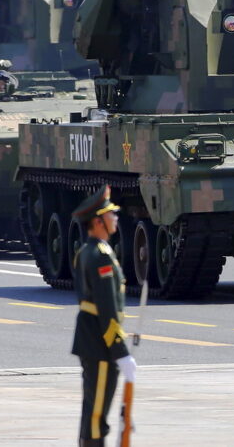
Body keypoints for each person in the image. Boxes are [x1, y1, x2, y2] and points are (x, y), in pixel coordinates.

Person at [71, 185, 136, 446]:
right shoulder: (100, 256)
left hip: (91, 338)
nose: (115, 217)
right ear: (98, 221)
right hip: (99, 342)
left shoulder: (87, 251)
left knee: (93, 407)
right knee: (97, 411)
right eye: (111, 214)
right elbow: (107, 308)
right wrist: (120, 350)